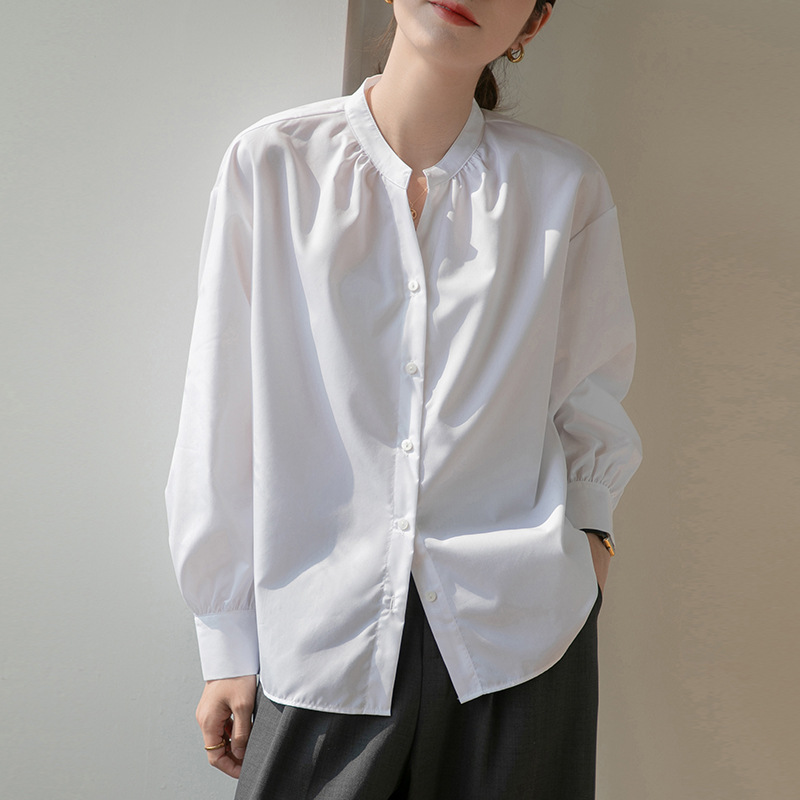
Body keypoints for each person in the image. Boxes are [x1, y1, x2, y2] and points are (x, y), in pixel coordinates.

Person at [166, 1, 642, 797]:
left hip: (520, 640)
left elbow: (590, 392)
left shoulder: (565, 188)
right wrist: (225, 636)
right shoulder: (272, 164)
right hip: (320, 636)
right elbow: (220, 408)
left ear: (532, 24)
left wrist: (592, 542)